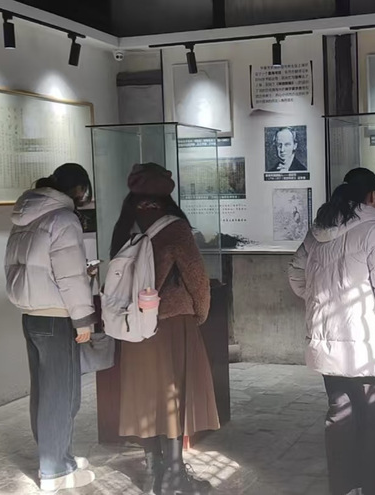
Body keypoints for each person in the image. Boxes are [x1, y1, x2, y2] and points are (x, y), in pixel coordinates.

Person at [288, 167, 375, 495]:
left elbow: (295, 274)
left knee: (340, 416)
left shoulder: (317, 232)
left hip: (328, 344)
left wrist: (320, 299)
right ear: (372, 196)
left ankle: (346, 488)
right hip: (367, 345)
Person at [110, 163, 220, 495]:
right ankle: (174, 475)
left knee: (146, 394)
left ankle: (153, 471)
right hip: (172, 322)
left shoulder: (125, 225)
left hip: (134, 325)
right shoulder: (175, 228)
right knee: (173, 395)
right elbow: (197, 278)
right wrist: (199, 313)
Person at [5, 163, 97, 492]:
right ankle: (55, 470)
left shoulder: (26, 216)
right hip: (57, 318)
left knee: (44, 392)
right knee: (63, 395)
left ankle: (58, 456)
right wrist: (83, 319)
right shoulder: (63, 219)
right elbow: (69, 276)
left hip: (31, 316)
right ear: (79, 189)